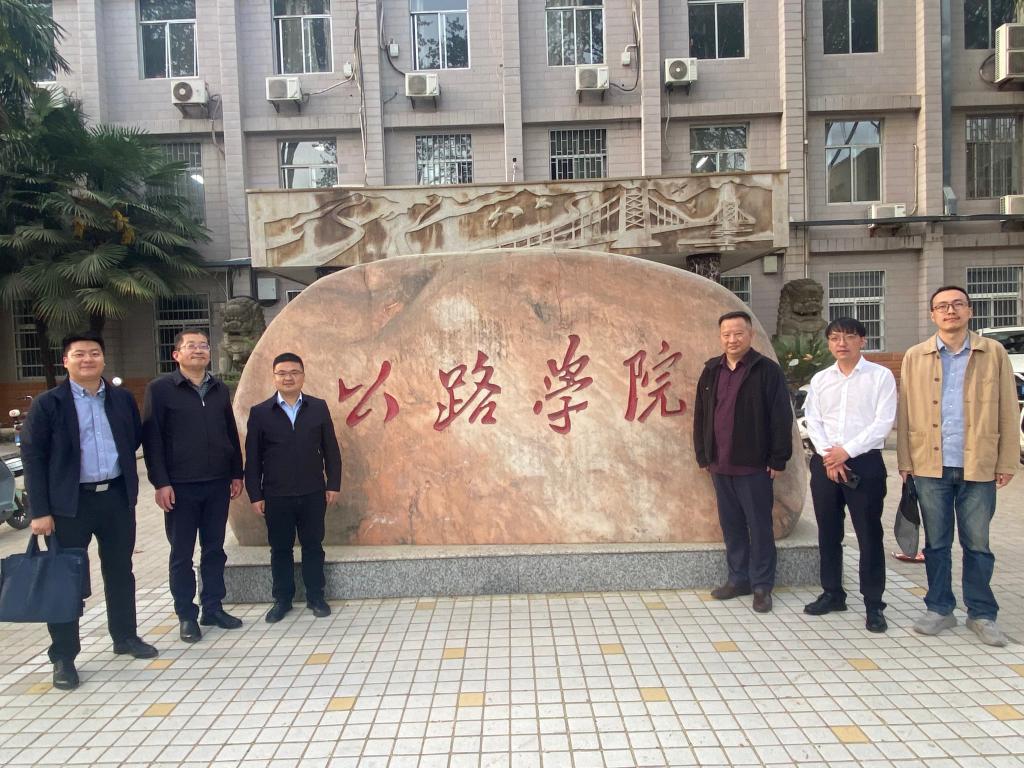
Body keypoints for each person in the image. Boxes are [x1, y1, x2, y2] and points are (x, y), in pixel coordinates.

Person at [22, 332, 157, 690]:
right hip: (69, 505)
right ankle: (64, 656)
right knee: (65, 578)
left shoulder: (121, 399)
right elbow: (33, 458)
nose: (87, 359)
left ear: (103, 359)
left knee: (120, 570)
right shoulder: (49, 404)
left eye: (94, 353)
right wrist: (39, 511)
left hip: (115, 498)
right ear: (65, 361)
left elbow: (133, 439)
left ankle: (125, 636)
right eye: (79, 354)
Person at [897, 286, 1020, 647]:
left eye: (957, 305)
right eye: (942, 306)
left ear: (969, 311)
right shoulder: (916, 356)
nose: (950, 311)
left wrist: (1007, 459)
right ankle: (939, 608)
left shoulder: (992, 352)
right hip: (929, 464)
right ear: (932, 315)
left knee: (977, 544)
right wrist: (905, 461)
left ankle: (981, 613)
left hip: (978, 465)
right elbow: (905, 412)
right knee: (936, 544)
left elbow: (1008, 408)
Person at [143, 328, 244, 643]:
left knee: (214, 550)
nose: (199, 350)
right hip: (180, 487)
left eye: (203, 345)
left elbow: (229, 431)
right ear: (177, 354)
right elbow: (152, 440)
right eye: (191, 346)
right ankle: (186, 615)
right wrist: (161, 482)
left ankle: (212, 607)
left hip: (217, 483)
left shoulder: (218, 388)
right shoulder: (160, 389)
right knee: (182, 554)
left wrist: (236, 473)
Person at [693, 311, 794, 613]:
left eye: (738, 333)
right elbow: (701, 414)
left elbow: (781, 417)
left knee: (760, 527)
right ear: (720, 337)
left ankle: (762, 585)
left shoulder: (766, 371)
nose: (732, 339)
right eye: (726, 334)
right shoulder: (712, 370)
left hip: (754, 466)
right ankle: (738, 579)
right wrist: (703, 453)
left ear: (750, 334)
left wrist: (778, 458)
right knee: (732, 525)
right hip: (719, 464)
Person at [802, 318, 897, 633]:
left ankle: (874, 603)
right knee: (828, 531)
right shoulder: (820, 379)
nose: (841, 343)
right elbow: (813, 419)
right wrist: (829, 455)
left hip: (864, 463)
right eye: (834, 338)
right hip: (826, 463)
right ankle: (833, 593)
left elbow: (883, 422)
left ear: (862, 341)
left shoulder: (880, 376)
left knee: (869, 534)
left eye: (849, 337)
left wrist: (847, 451)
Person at [244, 353, 341, 623]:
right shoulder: (261, 412)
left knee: (313, 546)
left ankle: (316, 596)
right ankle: (282, 599)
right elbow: (253, 458)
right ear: (274, 377)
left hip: (313, 492)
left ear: (303, 375)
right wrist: (255, 494)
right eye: (282, 373)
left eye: (294, 372)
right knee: (280, 549)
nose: (288, 377)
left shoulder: (318, 407)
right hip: (276, 494)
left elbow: (331, 450)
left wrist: (333, 484)